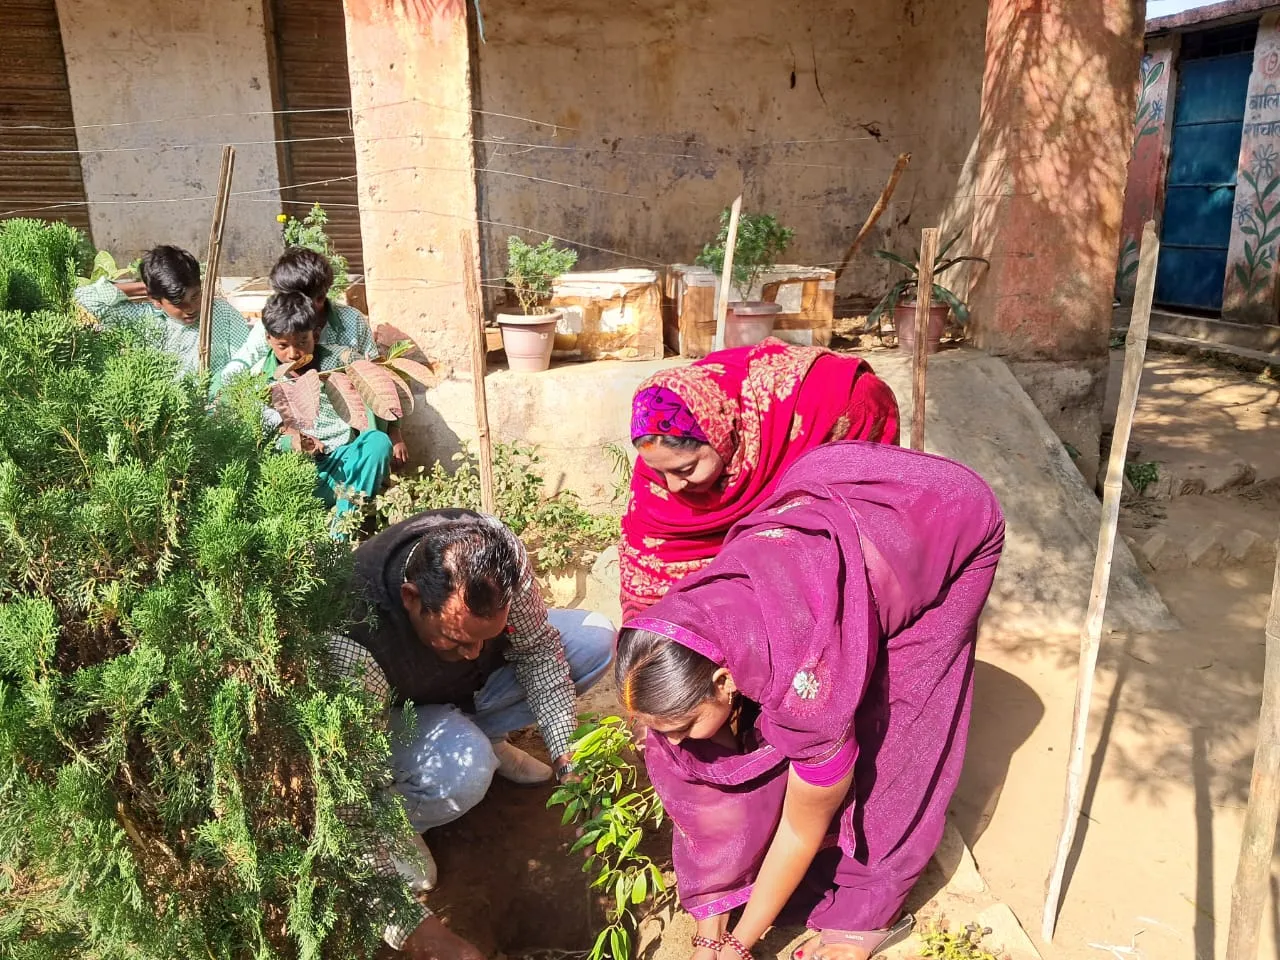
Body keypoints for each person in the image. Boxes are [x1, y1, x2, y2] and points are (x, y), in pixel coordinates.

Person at [614, 442, 1004, 960]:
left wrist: (736, 945)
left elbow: (801, 827)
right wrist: (709, 926)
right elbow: (698, 794)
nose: (674, 742)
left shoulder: (807, 690)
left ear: (726, 681)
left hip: (945, 518)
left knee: (901, 723)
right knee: (794, 730)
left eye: (683, 725)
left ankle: (868, 908)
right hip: (828, 486)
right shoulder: (685, 627)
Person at [330, 509, 615, 957]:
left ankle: (485, 734)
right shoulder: (355, 639)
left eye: (487, 637)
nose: (475, 652)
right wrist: (427, 939)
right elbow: (345, 801)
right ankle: (402, 817)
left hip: (460, 694)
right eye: (456, 639)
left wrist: (567, 759)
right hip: (389, 719)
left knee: (593, 639)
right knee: (466, 769)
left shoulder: (502, 565)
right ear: (411, 598)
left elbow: (540, 652)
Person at [620, 338, 899, 621]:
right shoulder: (658, 462)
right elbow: (647, 578)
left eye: (686, 469)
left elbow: (859, 524)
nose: (673, 486)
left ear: (721, 435)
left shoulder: (829, 403)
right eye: (658, 471)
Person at [250, 291, 401, 517]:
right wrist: (293, 440)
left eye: (302, 342)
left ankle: (341, 528)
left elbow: (375, 397)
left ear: (317, 334)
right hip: (297, 474)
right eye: (283, 346)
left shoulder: (343, 361)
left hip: (344, 464)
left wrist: (393, 432)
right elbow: (259, 431)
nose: (293, 354)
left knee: (377, 443)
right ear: (268, 339)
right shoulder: (259, 378)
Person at [74, 244, 249, 376]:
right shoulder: (141, 319)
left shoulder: (221, 314)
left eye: (195, 297)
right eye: (178, 304)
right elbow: (83, 298)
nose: (190, 309)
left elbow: (248, 359)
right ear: (156, 301)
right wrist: (148, 289)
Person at [217, 246, 378, 388]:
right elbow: (242, 362)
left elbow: (375, 370)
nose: (285, 307)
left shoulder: (352, 321)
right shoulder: (273, 325)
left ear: (320, 298)